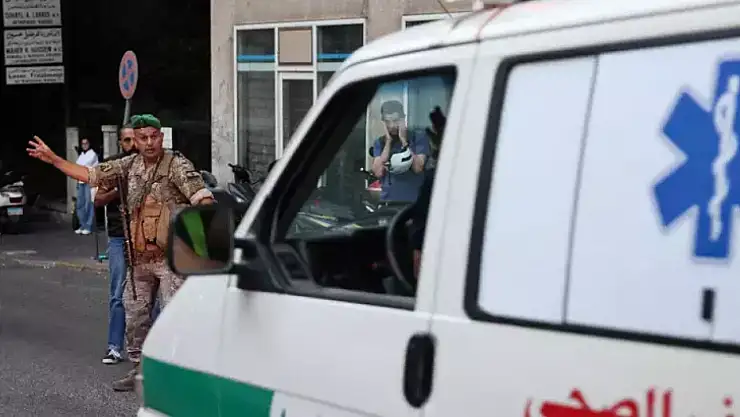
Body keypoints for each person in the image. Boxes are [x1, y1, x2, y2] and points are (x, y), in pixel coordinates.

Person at [26, 113, 215, 392]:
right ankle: (141, 371)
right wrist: (54, 159)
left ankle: (180, 375)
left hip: (171, 259)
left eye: (154, 137)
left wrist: (202, 245)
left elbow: (204, 200)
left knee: (174, 318)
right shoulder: (128, 165)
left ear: (161, 137)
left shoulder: (176, 165)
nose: (149, 142)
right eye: (143, 137)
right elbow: (89, 175)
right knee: (135, 317)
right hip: (139, 259)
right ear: (135, 140)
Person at [93, 125, 137, 365]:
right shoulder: (112, 166)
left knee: (151, 296)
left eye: (135, 139)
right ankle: (114, 347)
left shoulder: (149, 165)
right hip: (119, 236)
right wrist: (117, 190)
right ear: (121, 142)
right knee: (118, 294)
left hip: (146, 238)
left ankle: (149, 350)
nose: (132, 144)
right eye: (127, 140)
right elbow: (98, 200)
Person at [371, 100, 430, 203]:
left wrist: (404, 141)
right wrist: (388, 142)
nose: (392, 125)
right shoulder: (380, 142)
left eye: (395, 121)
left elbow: (418, 168)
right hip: (388, 200)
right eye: (388, 122)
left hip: (414, 200)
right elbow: (378, 172)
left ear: (403, 119)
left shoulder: (418, 138)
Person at [75, 137, 99, 235]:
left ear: (89, 144)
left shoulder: (92, 154)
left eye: (86, 143)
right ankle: (82, 225)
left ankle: (88, 226)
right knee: (80, 204)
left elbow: (85, 165)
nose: (84, 145)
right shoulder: (81, 155)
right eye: (83, 144)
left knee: (88, 204)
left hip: (89, 181)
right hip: (81, 181)